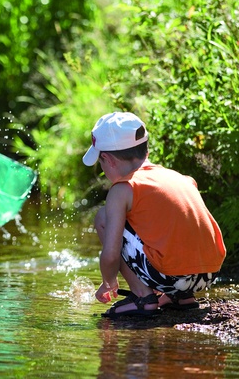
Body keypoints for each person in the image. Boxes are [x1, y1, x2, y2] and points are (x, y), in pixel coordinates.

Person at [82, 112, 226, 318]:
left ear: (108, 159)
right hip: (209, 274)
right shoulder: (179, 178)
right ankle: (181, 297)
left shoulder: (123, 189)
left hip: (172, 277)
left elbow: (111, 255)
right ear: (146, 149)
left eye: (101, 163)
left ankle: (143, 297)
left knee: (104, 218)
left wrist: (108, 282)